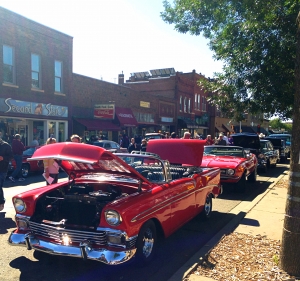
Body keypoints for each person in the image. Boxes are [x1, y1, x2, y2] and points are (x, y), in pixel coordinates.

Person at [0, 137, 13, 211]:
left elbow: (11, 156)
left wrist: (3, 158)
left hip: (2, 169)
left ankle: (1, 202)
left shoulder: (6, 145)